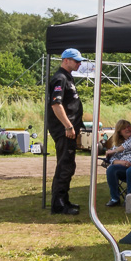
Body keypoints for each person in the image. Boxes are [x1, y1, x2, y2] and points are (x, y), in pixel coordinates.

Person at [46, 48, 85, 214]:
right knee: (65, 166)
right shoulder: (60, 78)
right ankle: (59, 204)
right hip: (64, 130)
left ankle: (64, 200)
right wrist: (68, 126)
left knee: (68, 165)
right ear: (66, 60)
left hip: (69, 129)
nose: (79, 64)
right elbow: (56, 104)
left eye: (80, 61)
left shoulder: (67, 77)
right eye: (76, 61)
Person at [103, 119, 131, 207]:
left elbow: (128, 145)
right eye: (124, 128)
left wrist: (113, 151)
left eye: (128, 126)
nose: (127, 129)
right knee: (111, 169)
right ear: (119, 132)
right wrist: (121, 162)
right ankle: (115, 198)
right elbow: (111, 159)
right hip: (125, 168)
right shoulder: (118, 144)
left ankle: (129, 199)